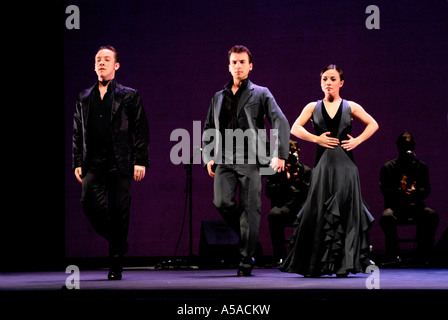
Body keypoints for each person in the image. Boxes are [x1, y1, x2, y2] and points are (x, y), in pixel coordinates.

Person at [281, 64, 379, 277]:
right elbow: (295, 127)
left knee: (344, 210)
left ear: (341, 83)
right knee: (320, 210)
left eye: (333, 79)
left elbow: (373, 124)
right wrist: (316, 138)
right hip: (323, 166)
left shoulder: (350, 106)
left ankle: (343, 264)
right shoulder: (312, 107)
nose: (328, 82)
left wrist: (358, 140)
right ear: (320, 82)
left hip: (345, 167)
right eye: (325, 78)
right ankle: (319, 263)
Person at [202, 45, 290, 276]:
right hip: (224, 157)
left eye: (242, 62)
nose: (238, 66)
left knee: (251, 208)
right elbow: (209, 127)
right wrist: (209, 156)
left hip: (250, 157)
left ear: (250, 66)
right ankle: (247, 237)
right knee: (222, 202)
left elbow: (279, 120)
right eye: (234, 62)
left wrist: (280, 154)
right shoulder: (218, 97)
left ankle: (245, 261)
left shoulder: (261, 93)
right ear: (229, 66)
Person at [72, 45, 149, 280]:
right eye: (98, 60)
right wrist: (77, 161)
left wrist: (140, 161)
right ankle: (117, 241)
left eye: (106, 59)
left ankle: (116, 263)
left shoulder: (129, 95)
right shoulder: (84, 97)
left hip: (120, 160)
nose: (101, 63)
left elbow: (141, 130)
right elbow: (78, 132)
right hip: (93, 161)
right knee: (89, 203)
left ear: (116, 65)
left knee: (119, 211)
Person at [379, 132, 439, 265]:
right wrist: (405, 194)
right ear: (398, 146)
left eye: (409, 145)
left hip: (416, 206)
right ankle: (393, 256)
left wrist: (411, 193)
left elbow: (426, 189)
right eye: (404, 145)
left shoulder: (421, 167)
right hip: (396, 208)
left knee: (431, 215)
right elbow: (386, 191)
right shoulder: (388, 168)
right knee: (387, 217)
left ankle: (425, 255)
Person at [265, 139, 311, 266]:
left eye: (293, 151)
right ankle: (280, 255)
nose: (290, 154)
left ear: (298, 152)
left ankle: (305, 255)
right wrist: (284, 180)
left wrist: (299, 183)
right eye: (287, 152)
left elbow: (311, 194)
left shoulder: (305, 171)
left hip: (301, 209)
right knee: (274, 215)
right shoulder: (275, 170)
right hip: (283, 207)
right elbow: (269, 192)